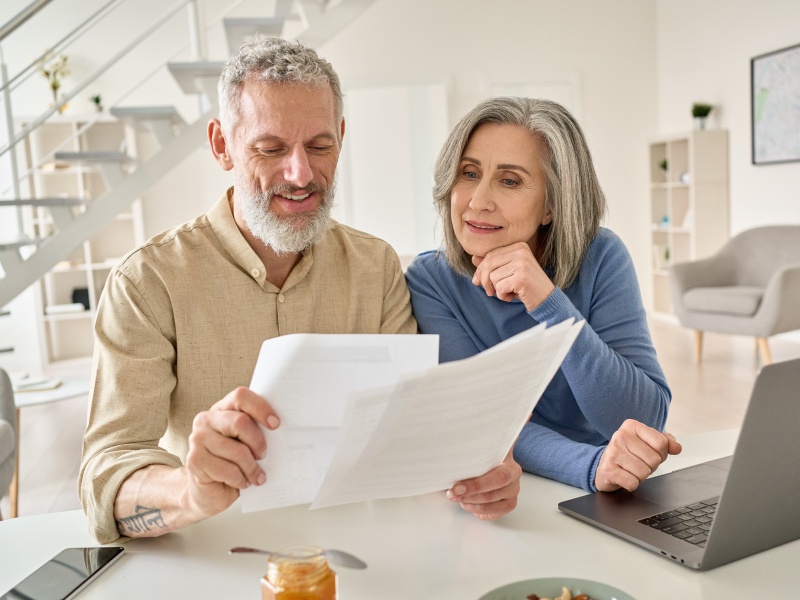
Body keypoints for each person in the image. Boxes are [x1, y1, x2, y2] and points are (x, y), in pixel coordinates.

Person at [79, 38, 518, 544]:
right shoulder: (147, 283)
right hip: (215, 555)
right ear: (222, 145)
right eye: (270, 149)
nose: (301, 174)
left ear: (342, 136)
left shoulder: (375, 267)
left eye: (319, 145)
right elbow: (106, 472)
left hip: (363, 552)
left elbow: (411, 428)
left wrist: (479, 466)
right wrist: (188, 491)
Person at [405, 97, 682, 499]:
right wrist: (589, 467)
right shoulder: (431, 280)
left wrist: (549, 303)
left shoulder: (601, 256)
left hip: (606, 487)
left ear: (551, 204)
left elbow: (643, 417)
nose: (478, 201)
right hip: (504, 486)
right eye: (468, 173)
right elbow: (482, 419)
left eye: (510, 180)